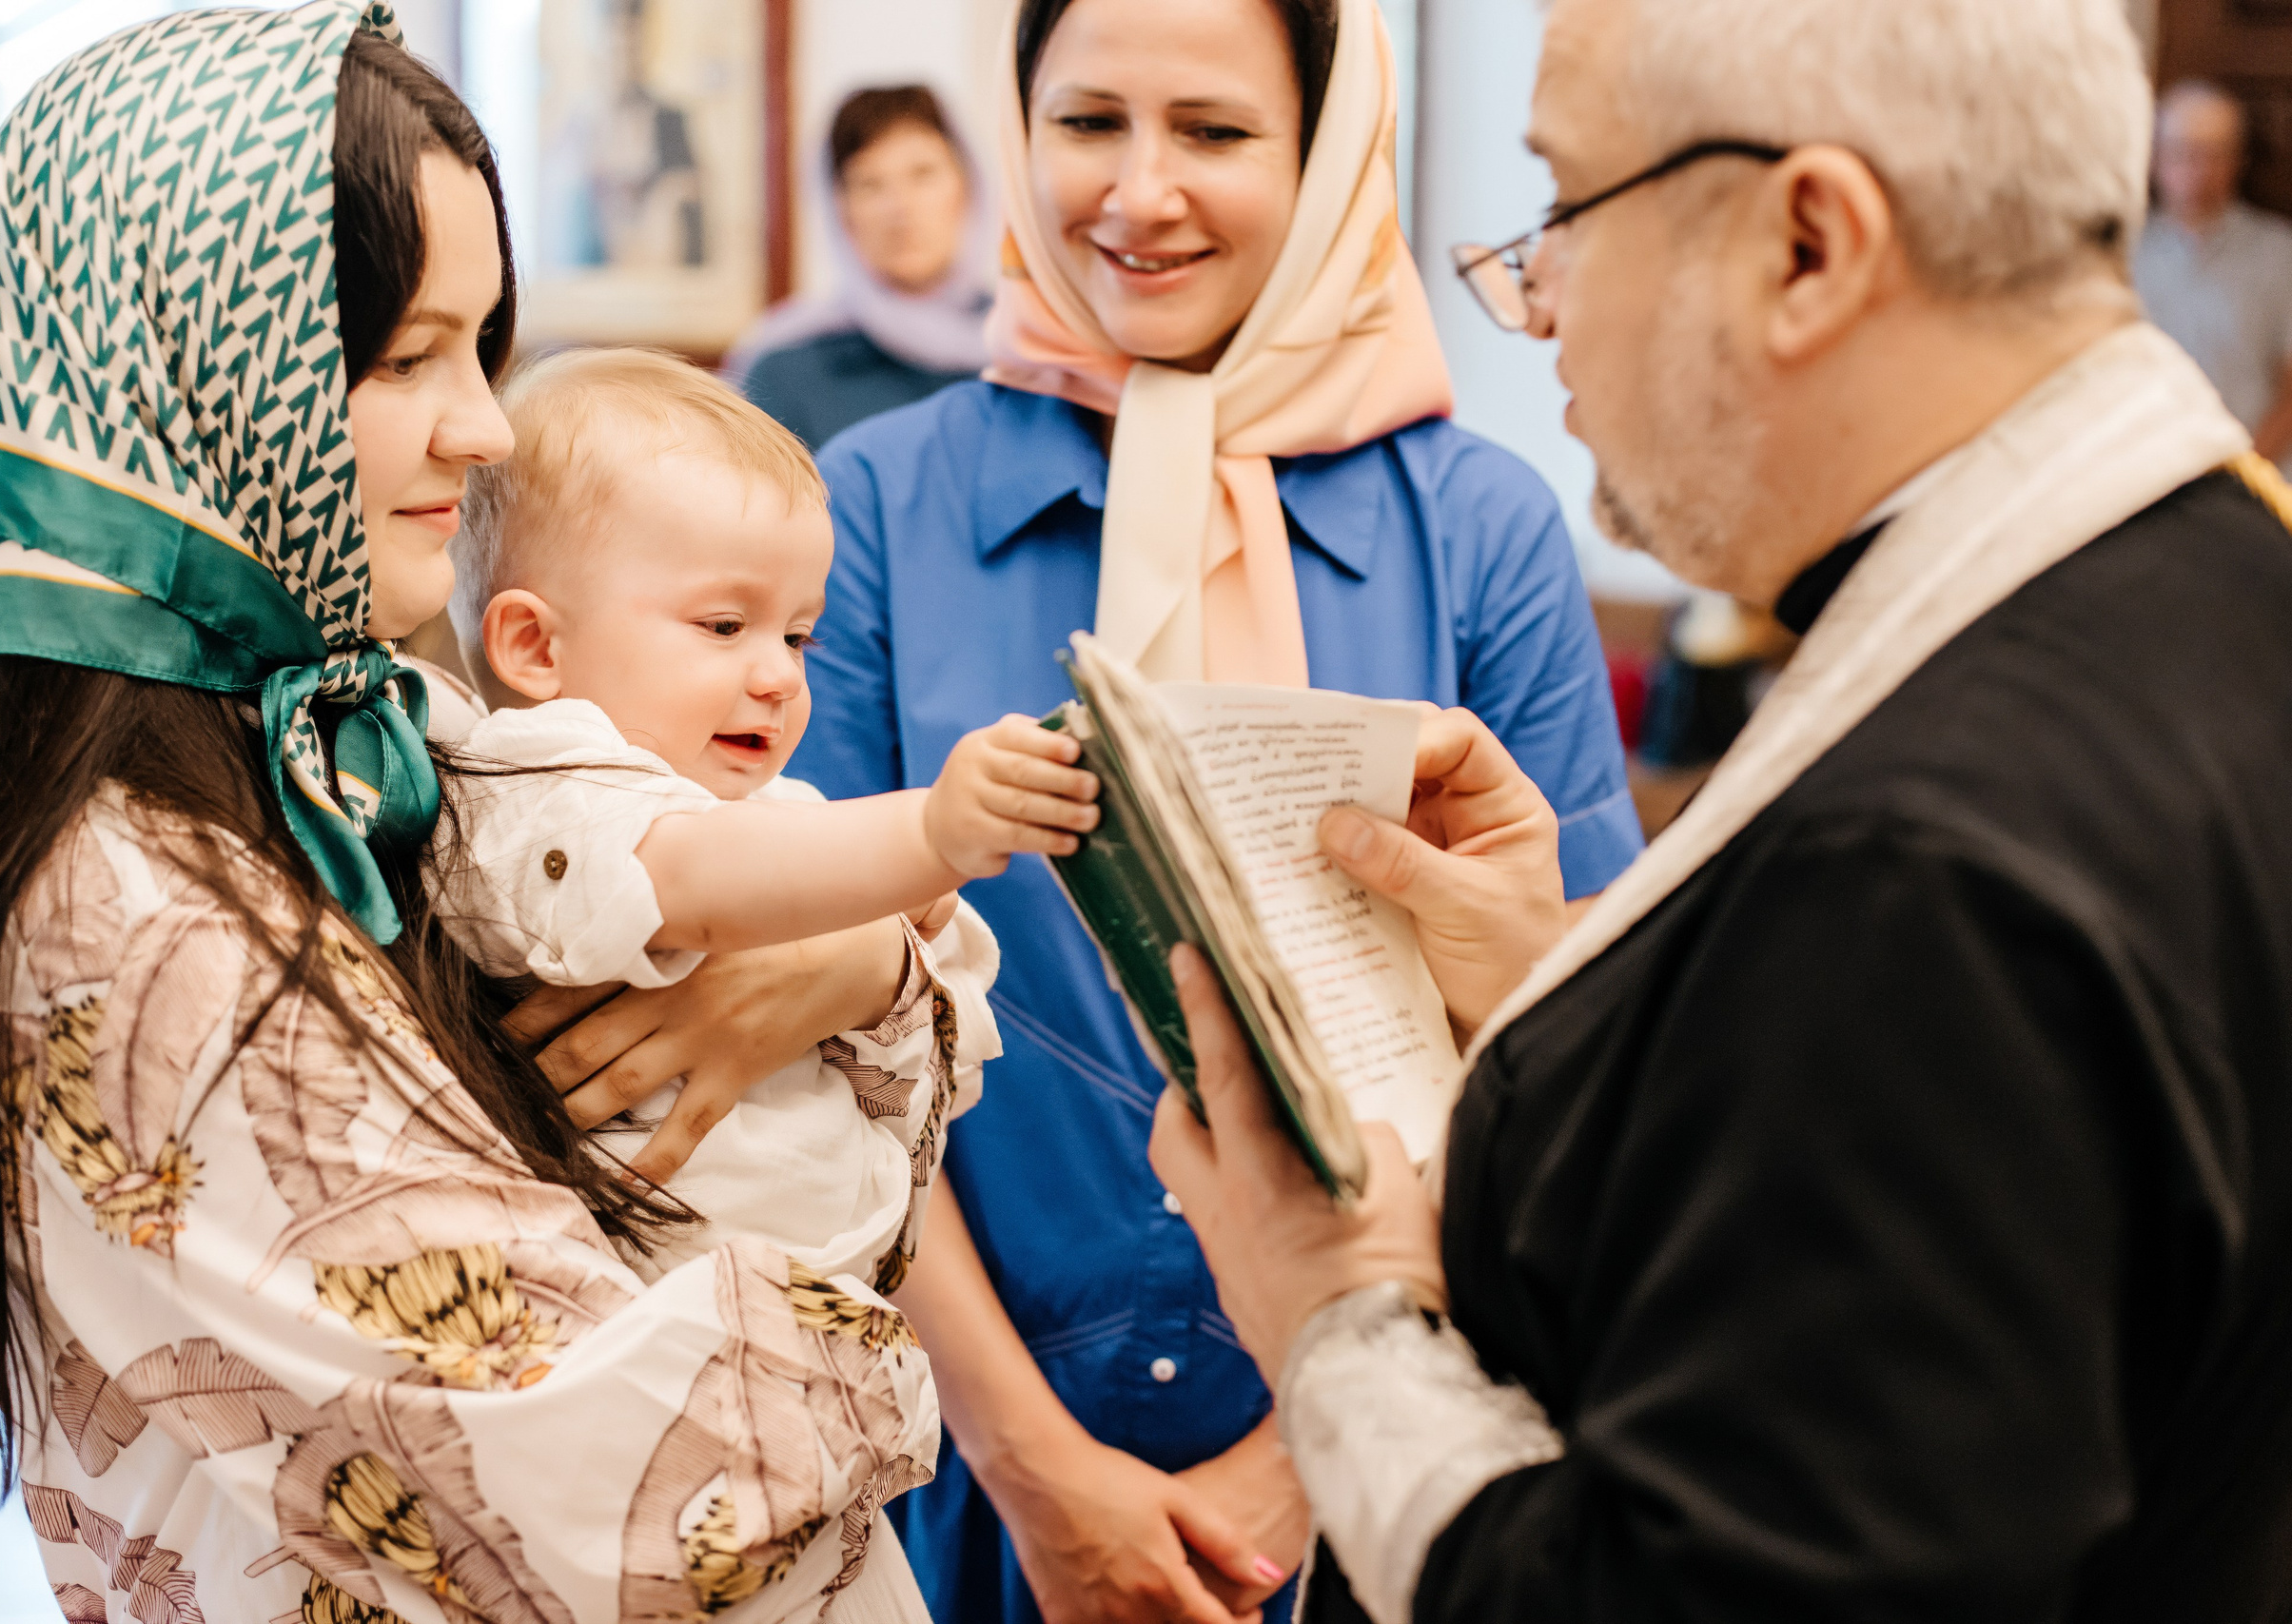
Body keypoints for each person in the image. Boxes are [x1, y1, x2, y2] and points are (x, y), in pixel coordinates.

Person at [1155, 0, 2292, 1619]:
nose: (1535, 304)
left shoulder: (1917, 870)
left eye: (1564, 208)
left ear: (1808, 243)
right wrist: (1590, 982)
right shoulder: (2216, 587)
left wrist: (1337, 1315)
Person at [0, 11, 956, 1621]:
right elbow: (623, 1471)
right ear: (199, 373)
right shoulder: (133, 900)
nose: (485, 425)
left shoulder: (340, 756)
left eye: (480, 349)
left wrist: (858, 956)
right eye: (400, 359)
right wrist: (898, 1372)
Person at [786, 0, 1642, 1618]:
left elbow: (1568, 1028)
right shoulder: (878, 506)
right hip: (960, 1453)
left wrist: (1311, 1456)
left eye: (1218, 132)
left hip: (1396, 1456)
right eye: (1089, 120)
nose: (1139, 191)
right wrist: (1034, 1465)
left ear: (1323, 151)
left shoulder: (1481, 529)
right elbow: (808, 1027)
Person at [430, 343, 1089, 1289]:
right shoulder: (531, 787)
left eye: (797, 633)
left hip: (828, 1317)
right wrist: (929, 838)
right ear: (535, 646)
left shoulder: (767, 808)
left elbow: (955, 1042)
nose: (780, 674)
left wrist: (903, 936)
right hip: (656, 1321)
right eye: (723, 627)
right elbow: (696, 880)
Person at [735, 87, 992, 449]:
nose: (900, 208)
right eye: (870, 185)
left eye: (923, 174)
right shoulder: (784, 371)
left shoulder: (1036, 351)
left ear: (969, 186)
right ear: (840, 209)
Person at [2135, 80, 2292, 472]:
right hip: (2142, 475)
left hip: (2254, 475)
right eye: (2181, 152)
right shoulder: (2121, 254)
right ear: (2156, 158)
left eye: (2213, 154)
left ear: (2238, 160)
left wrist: (2246, 473)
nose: (2196, 170)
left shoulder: (2279, 251)